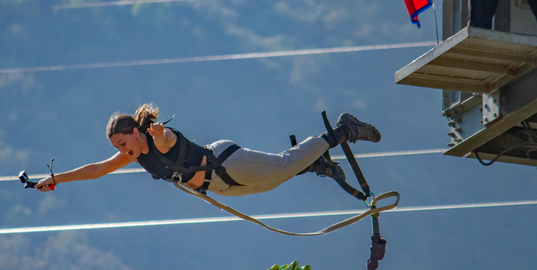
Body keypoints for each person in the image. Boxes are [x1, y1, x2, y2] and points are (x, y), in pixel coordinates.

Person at [35, 104, 381, 197]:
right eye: (117, 148)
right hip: (218, 187)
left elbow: (166, 140)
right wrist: (55, 179)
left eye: (122, 144)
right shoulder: (134, 154)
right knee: (277, 180)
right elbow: (97, 169)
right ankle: (314, 164)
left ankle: (344, 129)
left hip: (225, 162)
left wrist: (158, 135)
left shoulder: (158, 137)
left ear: (134, 133)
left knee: (280, 167)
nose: (121, 151)